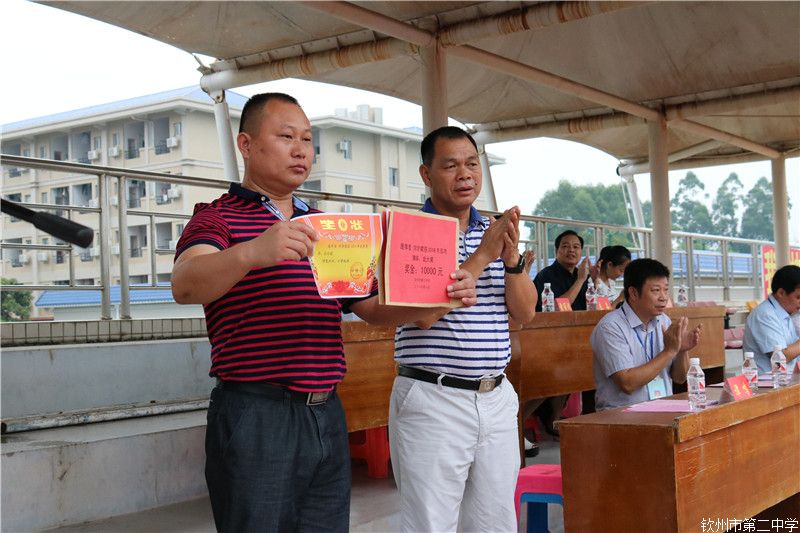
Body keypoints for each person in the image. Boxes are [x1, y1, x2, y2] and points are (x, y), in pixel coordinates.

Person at [171, 93, 477, 532]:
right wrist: (253, 253)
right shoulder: (217, 219)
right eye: (285, 137)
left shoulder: (326, 228)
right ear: (246, 144)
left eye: (308, 139)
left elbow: (371, 308)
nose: (301, 150)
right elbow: (184, 284)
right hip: (256, 413)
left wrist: (438, 296)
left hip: (326, 412)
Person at [388, 126, 537, 532]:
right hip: (434, 398)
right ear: (426, 174)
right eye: (451, 166)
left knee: (494, 521)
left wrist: (510, 261)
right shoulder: (411, 232)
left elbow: (525, 313)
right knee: (430, 524)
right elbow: (421, 315)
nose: (465, 174)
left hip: (495, 397)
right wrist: (485, 253)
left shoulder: (492, 230)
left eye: (472, 164)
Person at [591, 258, 702, 411]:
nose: (664, 297)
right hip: (622, 416)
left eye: (666, 290)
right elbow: (627, 383)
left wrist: (682, 350)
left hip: (661, 409)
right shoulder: (610, 327)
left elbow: (679, 378)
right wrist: (669, 351)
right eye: (656, 290)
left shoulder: (664, 320)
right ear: (634, 293)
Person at [524, 230, 593, 438]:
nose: (571, 250)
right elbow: (556, 308)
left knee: (580, 374)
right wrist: (580, 281)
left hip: (574, 339)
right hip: (546, 340)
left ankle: (557, 419)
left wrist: (592, 281)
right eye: (565, 246)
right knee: (549, 381)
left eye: (575, 247)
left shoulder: (582, 275)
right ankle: (520, 423)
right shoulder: (547, 275)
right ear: (556, 251)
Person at [742, 264, 800, 376]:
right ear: (781, 293)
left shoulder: (785, 313)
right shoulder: (764, 315)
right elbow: (781, 357)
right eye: (798, 297)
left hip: (784, 382)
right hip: (765, 386)